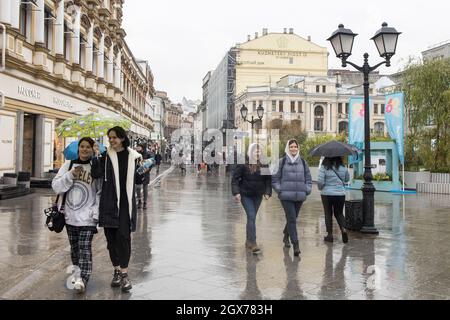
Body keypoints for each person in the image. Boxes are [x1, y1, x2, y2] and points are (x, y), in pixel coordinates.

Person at [91, 126, 142, 292]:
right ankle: (117, 270)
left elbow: (139, 179)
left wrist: (144, 170)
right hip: (108, 201)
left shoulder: (133, 156)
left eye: (114, 137)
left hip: (126, 204)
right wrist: (95, 157)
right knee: (111, 240)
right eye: (110, 137)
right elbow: (96, 174)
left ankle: (125, 274)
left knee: (124, 238)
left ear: (122, 138)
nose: (111, 140)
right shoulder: (105, 156)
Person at [52, 137, 101, 293]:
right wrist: (70, 174)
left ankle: (83, 279)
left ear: (92, 149)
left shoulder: (96, 167)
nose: (84, 149)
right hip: (70, 215)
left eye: (88, 147)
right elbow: (56, 187)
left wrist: (95, 212)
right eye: (82, 146)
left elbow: (100, 191)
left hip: (88, 217)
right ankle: (78, 274)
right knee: (75, 249)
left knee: (84, 248)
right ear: (78, 148)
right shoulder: (69, 165)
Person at [272, 139, 312, 257]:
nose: (293, 149)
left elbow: (308, 179)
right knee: (292, 219)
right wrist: (280, 190)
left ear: (298, 148)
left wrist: (307, 189)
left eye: (295, 146)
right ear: (287, 148)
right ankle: (296, 245)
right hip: (286, 196)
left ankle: (286, 235)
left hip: (300, 196)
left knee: (292, 218)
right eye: (291, 147)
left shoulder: (303, 162)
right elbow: (274, 179)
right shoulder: (282, 162)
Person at [231, 143, 272, 254]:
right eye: (255, 151)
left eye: (259, 151)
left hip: (258, 195)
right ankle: (253, 243)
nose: (257, 153)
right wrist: (236, 193)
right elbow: (235, 179)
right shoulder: (244, 163)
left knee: (251, 218)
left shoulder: (264, 164)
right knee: (251, 215)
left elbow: (268, 180)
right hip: (245, 194)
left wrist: (267, 192)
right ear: (251, 152)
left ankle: (248, 240)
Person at [317, 156, 350, 243]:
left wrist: (321, 188)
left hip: (326, 194)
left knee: (328, 213)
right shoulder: (343, 167)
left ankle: (330, 235)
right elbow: (347, 179)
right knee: (339, 213)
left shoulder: (324, 167)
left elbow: (320, 181)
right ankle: (343, 229)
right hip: (340, 194)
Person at [135, 143, 150, 209]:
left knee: (145, 188)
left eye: (139, 147)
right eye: (137, 146)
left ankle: (145, 202)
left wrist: (146, 169)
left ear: (142, 148)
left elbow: (151, 163)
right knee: (138, 188)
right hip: (138, 173)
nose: (137, 148)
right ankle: (139, 201)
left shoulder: (147, 154)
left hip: (145, 173)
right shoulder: (135, 154)